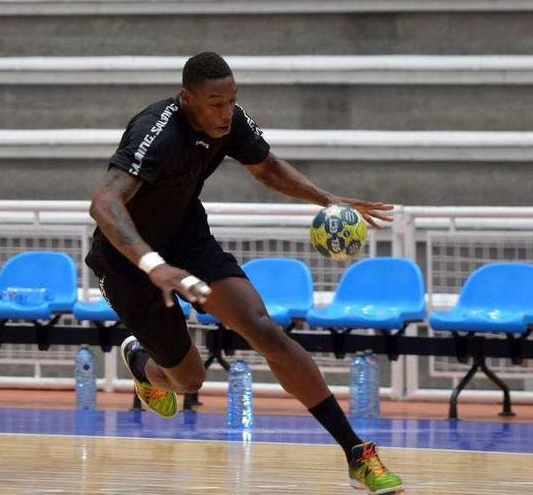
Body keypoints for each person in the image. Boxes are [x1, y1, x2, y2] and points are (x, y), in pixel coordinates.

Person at [86, 52, 403, 495]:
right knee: (188, 381)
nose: (226, 112)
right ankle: (142, 362)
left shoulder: (229, 122)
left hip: (186, 238)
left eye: (232, 100)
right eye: (216, 103)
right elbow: (104, 203)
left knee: (266, 331)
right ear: (186, 99)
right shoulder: (155, 131)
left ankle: (356, 453)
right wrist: (153, 265)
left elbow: (266, 167)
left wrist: (326, 199)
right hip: (128, 263)